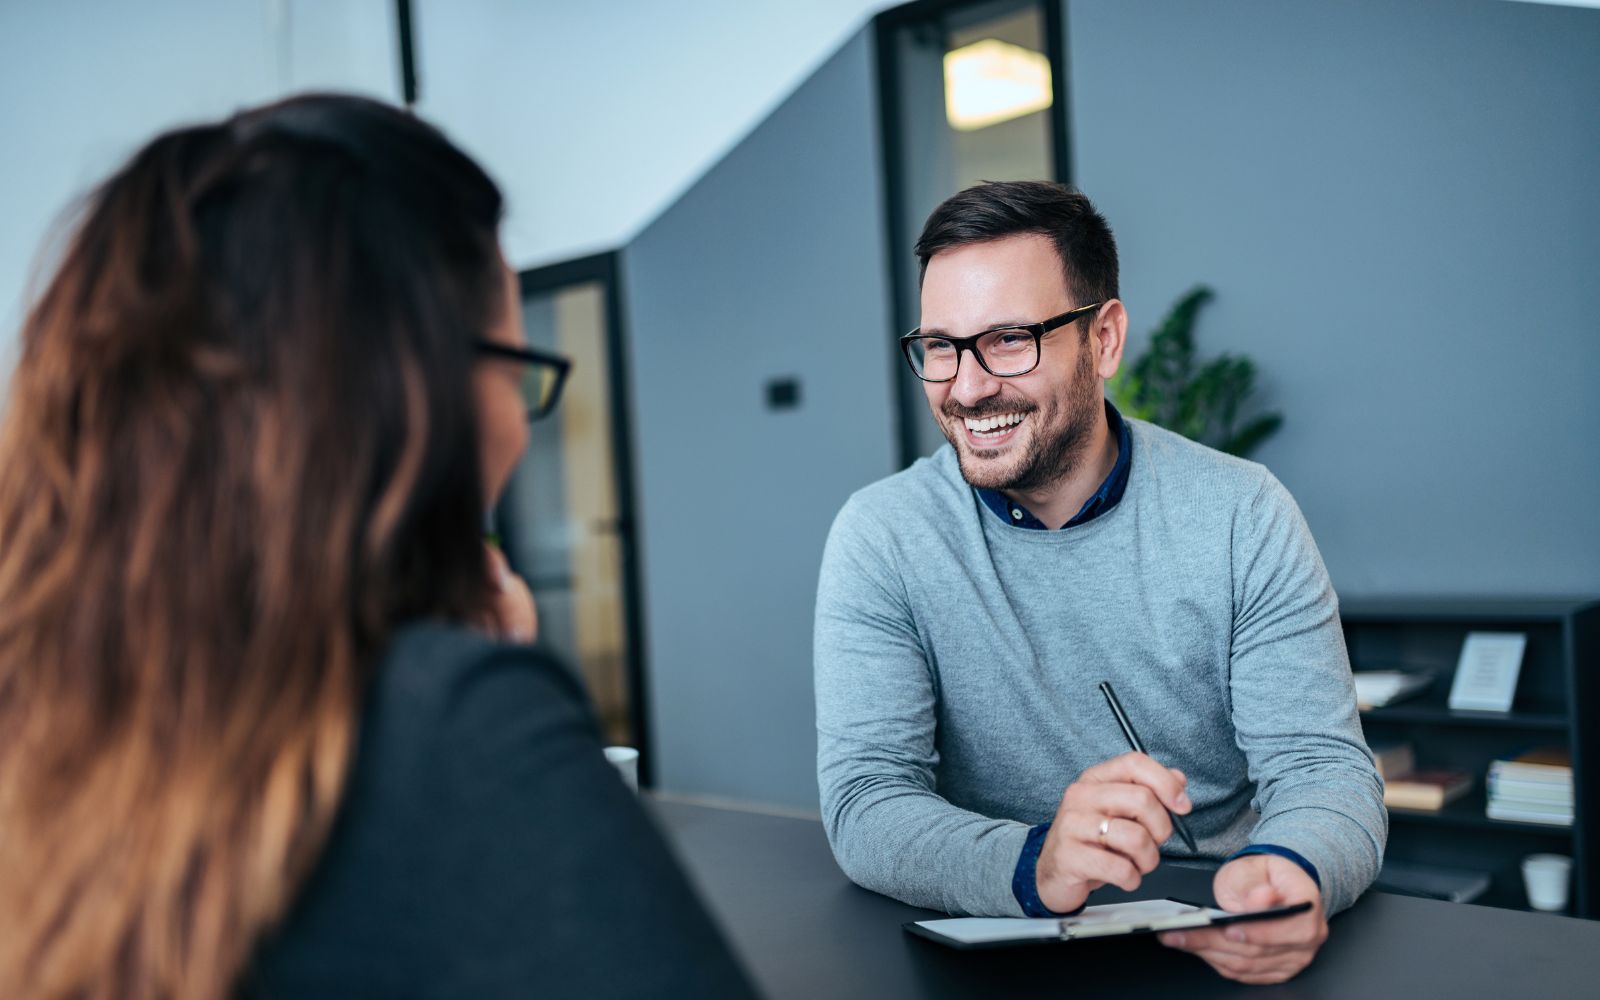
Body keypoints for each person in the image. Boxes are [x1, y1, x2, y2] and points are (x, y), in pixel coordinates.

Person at [0, 95, 756, 999]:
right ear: (411, 393)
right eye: (516, 369)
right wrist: (481, 700)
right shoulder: (453, 725)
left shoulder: (44, 708)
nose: (519, 420)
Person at [814, 180, 1384, 985]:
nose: (968, 386)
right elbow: (867, 802)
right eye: (941, 346)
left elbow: (1323, 770)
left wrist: (1293, 868)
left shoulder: (1241, 513)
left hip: (1214, 942)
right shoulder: (883, 536)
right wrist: (1037, 863)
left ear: (1105, 339)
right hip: (995, 950)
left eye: (1009, 338)